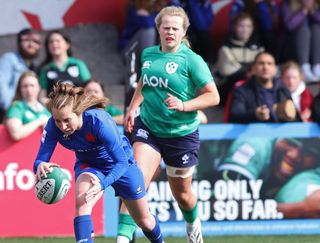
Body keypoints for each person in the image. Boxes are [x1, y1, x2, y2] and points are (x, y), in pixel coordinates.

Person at [121, 6, 220, 243]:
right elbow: (145, 82)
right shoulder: (148, 54)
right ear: (158, 28)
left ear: (183, 31)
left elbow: (213, 96)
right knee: (134, 182)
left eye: (175, 28)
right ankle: (122, 239)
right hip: (149, 128)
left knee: (182, 194)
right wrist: (133, 107)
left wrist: (184, 105)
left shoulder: (192, 61)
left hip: (181, 135)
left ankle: (192, 226)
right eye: (166, 27)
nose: (170, 32)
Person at [34, 83, 164, 243]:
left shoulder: (99, 122)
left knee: (145, 221)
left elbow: (121, 162)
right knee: (82, 200)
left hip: (121, 165)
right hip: (89, 165)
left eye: (67, 120)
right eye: (58, 121)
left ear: (79, 112)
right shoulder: (53, 126)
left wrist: (103, 184)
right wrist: (40, 165)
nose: (63, 126)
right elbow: (40, 159)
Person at [0, 28, 41, 124]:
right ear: (18, 43)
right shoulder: (8, 59)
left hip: (18, 112)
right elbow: (0, 86)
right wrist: (11, 110)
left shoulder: (33, 66)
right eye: (26, 40)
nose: (31, 45)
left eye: (36, 41)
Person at [228, 52, 300, 123]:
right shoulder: (242, 91)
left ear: (275, 69)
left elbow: (297, 119)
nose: (265, 67)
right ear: (253, 68)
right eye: (261, 63)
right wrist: (255, 115)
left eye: (269, 63)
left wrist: (290, 116)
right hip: (255, 134)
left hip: (282, 134)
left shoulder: (283, 89)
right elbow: (234, 116)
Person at [214, 12, 264, 105]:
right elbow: (227, 70)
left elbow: (263, 67)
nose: (245, 30)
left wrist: (245, 68)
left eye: (248, 26)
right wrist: (251, 69)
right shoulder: (226, 47)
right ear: (234, 27)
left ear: (252, 28)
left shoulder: (258, 47)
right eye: (241, 26)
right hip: (228, 91)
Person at [39, 30, 91, 102]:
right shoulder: (45, 69)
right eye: (51, 42)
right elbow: (42, 96)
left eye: (58, 41)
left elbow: (89, 88)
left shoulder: (78, 64)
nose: (54, 44)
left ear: (67, 45)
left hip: (78, 108)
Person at [4, 71, 50, 141]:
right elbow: (16, 134)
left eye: (32, 85)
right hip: (22, 150)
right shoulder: (17, 107)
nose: (29, 90)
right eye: (25, 86)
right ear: (20, 89)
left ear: (38, 87)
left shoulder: (45, 110)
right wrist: (39, 121)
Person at [281, 0, 320, 82]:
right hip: (291, 48)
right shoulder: (288, 3)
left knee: (316, 29)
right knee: (303, 30)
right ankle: (304, 68)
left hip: (312, 52)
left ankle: (317, 66)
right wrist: (303, 12)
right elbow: (289, 26)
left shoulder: (317, 5)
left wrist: (312, 12)